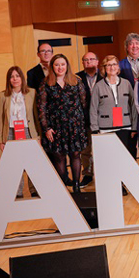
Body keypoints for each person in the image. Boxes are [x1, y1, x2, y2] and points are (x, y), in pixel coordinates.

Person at [37, 54, 88, 193]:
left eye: (63, 64)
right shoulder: (45, 83)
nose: (60, 67)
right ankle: (63, 187)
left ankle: (76, 186)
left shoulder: (76, 81)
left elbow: (84, 104)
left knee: (75, 155)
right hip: (56, 127)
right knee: (59, 157)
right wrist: (46, 128)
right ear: (52, 67)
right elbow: (41, 108)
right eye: (57, 65)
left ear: (67, 66)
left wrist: (83, 125)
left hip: (75, 126)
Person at [0, 66, 40, 198]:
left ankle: (34, 190)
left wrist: (38, 136)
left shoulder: (32, 92)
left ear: (22, 78)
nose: (15, 79)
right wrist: (1, 140)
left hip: (28, 131)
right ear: (8, 80)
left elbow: (36, 116)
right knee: (15, 164)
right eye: (12, 77)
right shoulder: (3, 95)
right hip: (10, 132)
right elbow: (0, 119)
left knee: (31, 162)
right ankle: (18, 191)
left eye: (17, 76)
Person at [90, 55, 136, 152]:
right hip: (105, 128)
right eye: (108, 65)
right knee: (109, 156)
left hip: (126, 127)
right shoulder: (98, 86)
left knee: (126, 155)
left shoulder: (126, 83)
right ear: (104, 68)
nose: (112, 67)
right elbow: (93, 109)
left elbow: (133, 106)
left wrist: (134, 127)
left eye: (114, 64)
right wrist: (95, 129)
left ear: (118, 67)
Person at [76, 51, 103, 188]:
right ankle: (87, 174)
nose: (89, 62)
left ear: (97, 62)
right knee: (85, 150)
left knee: (103, 149)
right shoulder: (76, 78)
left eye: (92, 59)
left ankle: (104, 174)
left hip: (102, 119)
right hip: (84, 120)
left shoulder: (104, 76)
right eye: (86, 60)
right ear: (83, 63)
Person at [119, 33, 139, 159]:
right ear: (127, 47)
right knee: (130, 141)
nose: (134, 46)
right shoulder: (120, 65)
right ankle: (131, 165)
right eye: (131, 44)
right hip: (128, 106)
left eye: (137, 43)